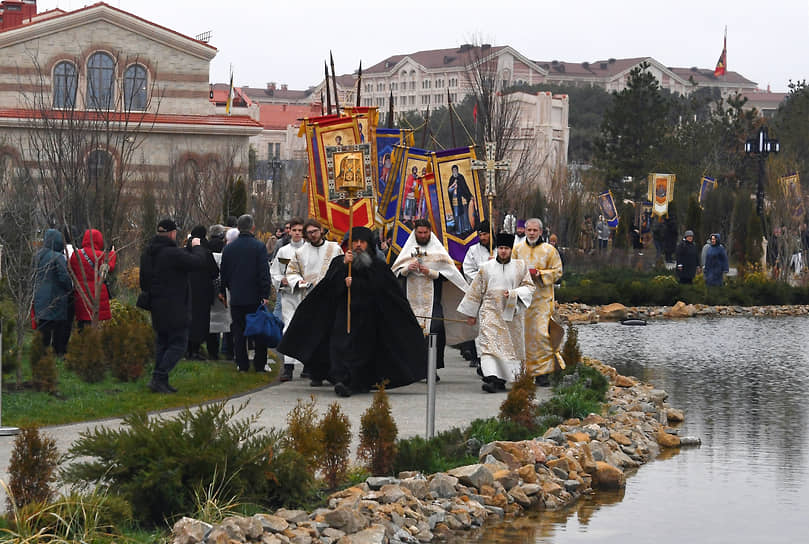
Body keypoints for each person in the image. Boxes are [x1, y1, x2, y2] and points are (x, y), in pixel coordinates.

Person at [278, 226, 427, 397]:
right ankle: (342, 380)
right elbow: (328, 287)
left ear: (368, 244)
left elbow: (383, 290)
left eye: (362, 242)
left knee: (361, 351)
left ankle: (355, 382)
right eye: (354, 242)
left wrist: (355, 284)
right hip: (343, 315)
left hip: (368, 318)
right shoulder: (340, 263)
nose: (357, 245)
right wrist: (343, 269)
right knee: (339, 347)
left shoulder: (378, 266)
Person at [392, 219, 470, 377]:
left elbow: (450, 275)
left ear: (430, 232)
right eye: (419, 233)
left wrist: (431, 272)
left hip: (433, 301)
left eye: (425, 233)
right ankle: (414, 369)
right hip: (411, 302)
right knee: (412, 334)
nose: (422, 235)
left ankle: (431, 369)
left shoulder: (437, 251)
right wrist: (407, 268)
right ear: (415, 232)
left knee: (435, 331)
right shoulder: (407, 251)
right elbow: (395, 273)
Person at [458, 232, 535, 393]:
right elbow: (475, 291)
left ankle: (502, 379)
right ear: (496, 249)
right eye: (500, 248)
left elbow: (529, 287)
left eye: (506, 248)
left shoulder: (520, 266)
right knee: (488, 346)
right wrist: (471, 314)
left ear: (511, 250)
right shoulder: (486, 268)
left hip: (511, 315)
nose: (503, 251)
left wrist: (515, 293)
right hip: (490, 312)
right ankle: (491, 378)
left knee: (508, 348)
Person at [140, 218, 208, 393]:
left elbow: (143, 281)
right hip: (175, 306)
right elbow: (198, 262)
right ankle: (159, 376)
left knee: (163, 342)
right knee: (178, 343)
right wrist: (197, 246)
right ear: (171, 233)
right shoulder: (171, 253)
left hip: (156, 305)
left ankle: (159, 380)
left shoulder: (148, 253)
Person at [285, 218, 343, 386]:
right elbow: (291, 272)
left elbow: (341, 268)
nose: (312, 235)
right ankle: (315, 373)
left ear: (321, 230)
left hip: (332, 299)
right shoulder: (301, 252)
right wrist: (299, 281)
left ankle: (333, 372)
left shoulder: (334, 248)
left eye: (314, 232)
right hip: (311, 298)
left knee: (331, 337)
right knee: (314, 337)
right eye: (309, 233)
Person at [513, 218, 563, 386]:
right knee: (523, 336)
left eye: (535, 230)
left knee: (541, 334)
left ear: (541, 232)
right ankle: (525, 371)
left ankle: (543, 373)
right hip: (523, 300)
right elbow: (509, 269)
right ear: (525, 231)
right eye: (529, 230)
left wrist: (540, 274)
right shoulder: (517, 249)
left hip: (542, 299)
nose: (532, 233)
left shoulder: (550, 250)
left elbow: (558, 272)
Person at [220, 214, 272, 373]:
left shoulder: (229, 248)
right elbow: (263, 272)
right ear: (253, 227)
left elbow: (224, 272)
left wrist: (225, 289)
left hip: (236, 296)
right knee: (259, 332)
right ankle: (259, 364)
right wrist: (265, 294)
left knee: (238, 332)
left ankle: (242, 364)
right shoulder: (259, 247)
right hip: (255, 296)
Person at [270, 217, 305, 381]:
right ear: (289, 231)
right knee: (288, 328)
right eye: (294, 230)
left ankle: (308, 366)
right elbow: (275, 271)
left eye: (300, 230)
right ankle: (288, 367)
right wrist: (280, 280)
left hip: (305, 295)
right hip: (288, 295)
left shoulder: (310, 249)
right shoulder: (284, 251)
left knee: (307, 328)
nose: (297, 233)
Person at [32, 228, 73, 356]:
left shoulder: (37, 255)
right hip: (56, 297)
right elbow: (64, 277)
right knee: (59, 328)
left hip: (40, 297)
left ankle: (41, 353)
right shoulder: (58, 257)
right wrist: (70, 288)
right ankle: (58, 352)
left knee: (43, 327)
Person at [461, 220, 493, 369]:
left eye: (485, 234)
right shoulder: (473, 250)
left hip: (498, 295)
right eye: (480, 234)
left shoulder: (500, 249)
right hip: (481, 293)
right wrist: (482, 280)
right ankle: (480, 357)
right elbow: (467, 269)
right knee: (480, 328)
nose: (483, 237)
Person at [69, 228, 116, 328]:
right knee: (95, 327)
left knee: (82, 325)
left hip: (81, 295)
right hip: (96, 295)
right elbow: (110, 267)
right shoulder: (100, 256)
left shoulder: (75, 255)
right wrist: (112, 253)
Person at [185, 225, 219, 359]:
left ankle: (187, 349)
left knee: (188, 320)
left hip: (186, 292)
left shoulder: (184, 252)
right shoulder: (206, 252)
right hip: (203, 293)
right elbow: (214, 273)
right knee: (201, 322)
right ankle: (195, 350)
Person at [208, 225, 231, 360]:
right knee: (227, 321)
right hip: (222, 290)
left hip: (209, 290)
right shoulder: (225, 251)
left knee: (211, 322)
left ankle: (213, 351)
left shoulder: (206, 248)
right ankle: (226, 350)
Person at [447, 164, 473, 234]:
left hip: (462, 199)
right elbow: (449, 190)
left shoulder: (461, 177)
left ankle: (466, 228)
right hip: (455, 200)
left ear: (457, 170)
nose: (455, 171)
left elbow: (465, 187)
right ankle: (459, 230)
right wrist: (454, 186)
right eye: (453, 170)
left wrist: (469, 195)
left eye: (456, 170)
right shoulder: (451, 179)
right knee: (457, 215)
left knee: (464, 214)